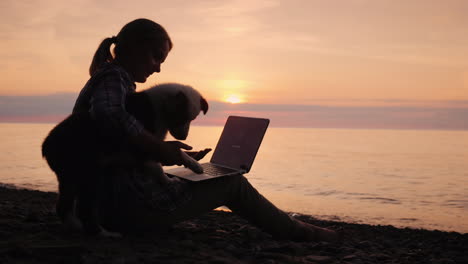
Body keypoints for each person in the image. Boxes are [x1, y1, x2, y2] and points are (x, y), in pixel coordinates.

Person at [73, 18, 339, 242]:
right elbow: (109, 115)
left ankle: (288, 224)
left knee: (195, 177)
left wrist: (164, 152)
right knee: (232, 181)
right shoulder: (113, 77)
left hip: (110, 203)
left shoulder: (117, 81)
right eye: (156, 57)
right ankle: (296, 231)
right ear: (133, 48)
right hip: (125, 209)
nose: (158, 67)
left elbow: (115, 145)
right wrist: (157, 147)